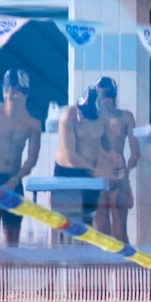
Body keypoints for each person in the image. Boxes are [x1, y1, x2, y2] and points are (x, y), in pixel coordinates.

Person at [0, 69, 41, 247]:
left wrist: (14, 180)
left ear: (25, 93)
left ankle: (5, 275)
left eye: (15, 89)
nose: (10, 93)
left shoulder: (33, 124)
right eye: (7, 89)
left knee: (12, 238)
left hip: (13, 180)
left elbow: (31, 159)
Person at [92, 76, 139, 243]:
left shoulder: (126, 117)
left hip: (119, 176)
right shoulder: (93, 117)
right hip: (98, 177)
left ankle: (123, 268)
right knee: (101, 229)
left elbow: (135, 153)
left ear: (113, 97)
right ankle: (104, 268)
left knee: (120, 229)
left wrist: (124, 172)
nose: (102, 100)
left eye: (105, 96)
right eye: (99, 95)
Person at [55, 85, 106, 224]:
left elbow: (104, 147)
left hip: (89, 171)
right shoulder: (67, 117)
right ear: (78, 107)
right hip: (67, 171)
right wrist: (96, 171)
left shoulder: (102, 119)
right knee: (64, 222)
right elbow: (69, 155)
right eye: (82, 114)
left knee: (87, 220)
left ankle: (85, 246)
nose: (84, 120)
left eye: (90, 118)